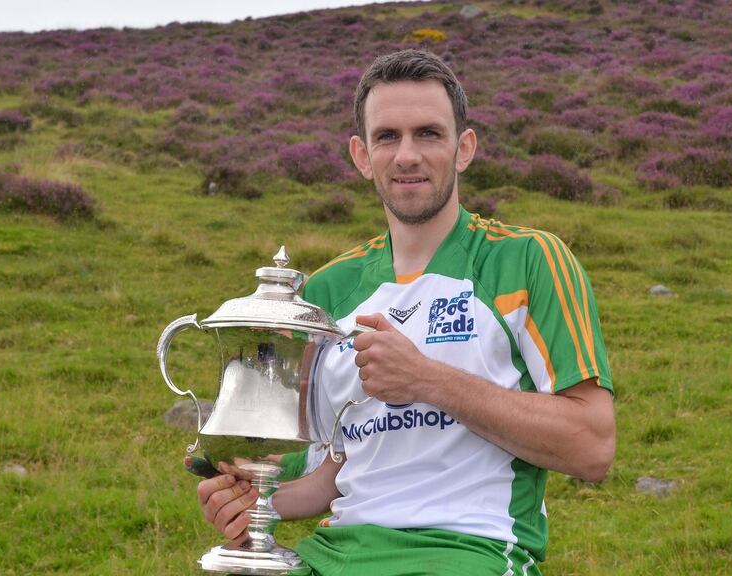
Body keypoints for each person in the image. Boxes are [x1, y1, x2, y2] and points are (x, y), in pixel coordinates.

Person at [196, 49, 615, 575]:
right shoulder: (326, 292)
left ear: (464, 148)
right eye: (387, 137)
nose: (407, 155)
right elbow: (330, 470)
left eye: (428, 134)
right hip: (335, 553)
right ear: (361, 155)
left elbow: (592, 445)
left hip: (470, 552)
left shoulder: (528, 261)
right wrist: (252, 503)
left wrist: (428, 380)